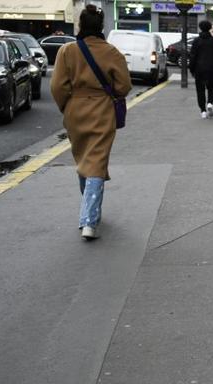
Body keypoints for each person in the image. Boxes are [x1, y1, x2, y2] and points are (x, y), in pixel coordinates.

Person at [51, 4, 132, 240]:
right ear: (102, 26)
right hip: (102, 109)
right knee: (96, 161)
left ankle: (90, 208)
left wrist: (66, 107)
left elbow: (57, 86)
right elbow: (124, 86)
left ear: (80, 26)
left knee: (83, 158)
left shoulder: (67, 51)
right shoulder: (112, 53)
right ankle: (89, 220)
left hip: (75, 110)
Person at [189, 20, 213, 119]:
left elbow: (193, 56)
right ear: (209, 28)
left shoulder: (196, 41)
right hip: (211, 68)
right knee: (211, 87)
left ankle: (203, 111)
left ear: (200, 28)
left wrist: (191, 69)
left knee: (200, 90)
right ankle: (210, 103)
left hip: (199, 69)